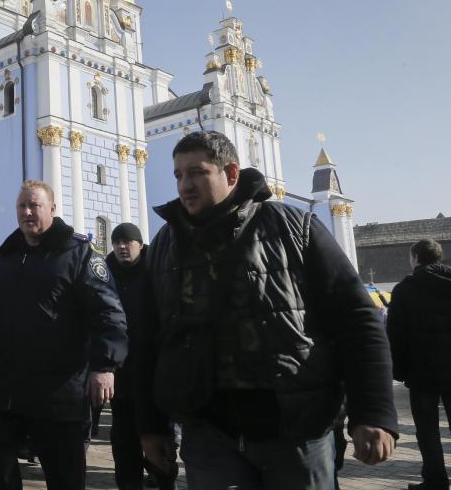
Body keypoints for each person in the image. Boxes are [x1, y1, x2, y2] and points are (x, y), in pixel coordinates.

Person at [135, 131, 397, 490]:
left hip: (295, 429)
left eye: (197, 172)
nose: (185, 185)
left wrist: (374, 411)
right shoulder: (166, 245)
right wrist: (151, 426)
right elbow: (149, 340)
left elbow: (358, 319)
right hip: (209, 433)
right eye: (179, 175)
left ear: (230, 174)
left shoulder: (294, 228)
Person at [0, 180, 128, 490]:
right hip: (5, 386)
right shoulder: (5, 256)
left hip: (58, 391)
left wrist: (105, 366)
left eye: (35, 206)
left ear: (52, 209)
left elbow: (109, 314)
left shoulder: (78, 253)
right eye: (21, 206)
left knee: (65, 475)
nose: (27, 212)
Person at [104, 223, 177, 490]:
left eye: (128, 242)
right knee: (123, 445)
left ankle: (165, 482)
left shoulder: (155, 270)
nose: (123, 247)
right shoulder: (105, 274)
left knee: (157, 444)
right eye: (118, 242)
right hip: (121, 377)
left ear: (139, 244)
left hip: (154, 376)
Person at [387, 238, 451, 490]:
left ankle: (435, 481)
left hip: (421, 370)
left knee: (427, 430)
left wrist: (399, 371)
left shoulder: (405, 289)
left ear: (415, 258)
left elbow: (396, 335)